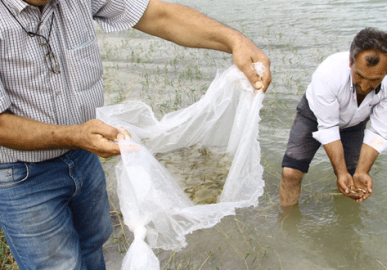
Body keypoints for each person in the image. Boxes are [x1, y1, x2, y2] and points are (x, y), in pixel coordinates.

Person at [0, 0, 271, 269]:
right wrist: (73, 135)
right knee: (59, 266)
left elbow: (159, 16)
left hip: (84, 155)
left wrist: (234, 40)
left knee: (94, 245)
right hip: (21, 176)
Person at [279, 28, 387, 207]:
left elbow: (379, 132)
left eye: (375, 80)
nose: (365, 86)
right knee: (291, 172)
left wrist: (362, 171)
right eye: (359, 75)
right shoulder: (329, 73)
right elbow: (328, 128)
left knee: (354, 179)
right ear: (351, 61)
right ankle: (287, 222)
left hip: (356, 122)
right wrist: (340, 171)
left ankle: (346, 227)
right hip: (313, 115)